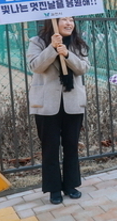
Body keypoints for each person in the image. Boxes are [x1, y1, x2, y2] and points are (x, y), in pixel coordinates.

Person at [27, 17, 90, 205]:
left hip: (73, 103)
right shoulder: (37, 42)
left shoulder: (78, 43)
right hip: (47, 104)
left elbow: (84, 68)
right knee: (50, 148)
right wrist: (52, 49)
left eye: (72, 20)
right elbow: (35, 66)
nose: (69, 23)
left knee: (71, 146)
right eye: (64, 19)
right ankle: (54, 188)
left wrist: (68, 55)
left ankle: (71, 185)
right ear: (53, 21)